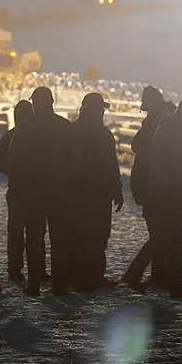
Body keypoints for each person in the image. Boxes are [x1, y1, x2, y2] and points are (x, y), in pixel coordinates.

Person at [10, 86, 78, 296]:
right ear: (51, 102)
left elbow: (15, 161)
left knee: (34, 239)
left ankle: (33, 283)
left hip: (33, 193)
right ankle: (59, 284)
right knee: (59, 239)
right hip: (59, 192)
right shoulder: (64, 127)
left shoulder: (24, 129)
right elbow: (75, 159)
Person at [148, 96, 182, 298]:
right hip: (172, 195)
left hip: (163, 193)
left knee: (167, 240)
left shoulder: (168, 128)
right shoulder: (175, 134)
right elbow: (179, 170)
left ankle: (165, 281)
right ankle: (178, 287)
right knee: (174, 241)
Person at [71, 92, 124, 290]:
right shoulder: (103, 135)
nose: (102, 112)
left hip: (80, 193)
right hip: (97, 194)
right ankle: (91, 276)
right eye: (101, 109)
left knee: (82, 234)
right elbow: (112, 165)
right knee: (97, 235)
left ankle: (79, 276)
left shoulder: (72, 131)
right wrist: (116, 189)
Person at [121, 85, 166, 291]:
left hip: (147, 184)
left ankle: (156, 275)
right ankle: (135, 273)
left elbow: (135, 146)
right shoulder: (158, 125)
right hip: (154, 185)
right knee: (160, 235)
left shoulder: (149, 124)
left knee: (159, 233)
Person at [0, 99, 44, 283]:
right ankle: (37, 269)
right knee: (36, 233)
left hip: (16, 190)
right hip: (36, 191)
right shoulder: (39, 136)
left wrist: (12, 171)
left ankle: (15, 270)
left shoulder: (9, 136)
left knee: (16, 232)